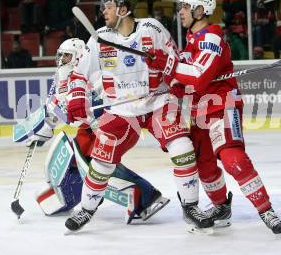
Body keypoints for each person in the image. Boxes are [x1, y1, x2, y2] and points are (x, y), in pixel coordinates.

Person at [64, 0, 214, 233]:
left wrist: (176, 86)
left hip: (157, 102)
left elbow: (176, 61)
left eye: (109, 5)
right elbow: (79, 74)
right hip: (121, 110)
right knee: (102, 162)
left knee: (182, 148)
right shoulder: (99, 37)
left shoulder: (152, 29)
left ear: (124, 9)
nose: (104, 10)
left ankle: (190, 207)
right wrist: (77, 98)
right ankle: (86, 209)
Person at [146, 0, 281, 235]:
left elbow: (199, 77)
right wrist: (174, 84)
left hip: (223, 105)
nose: (180, 11)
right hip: (200, 110)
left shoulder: (211, 37)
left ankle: (266, 210)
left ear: (200, 10)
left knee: (233, 158)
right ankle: (221, 207)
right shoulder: (190, 40)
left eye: (185, 7)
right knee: (205, 164)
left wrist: (168, 65)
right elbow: (187, 81)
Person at [17, 38, 169, 223]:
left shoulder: (93, 75)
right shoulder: (59, 77)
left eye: (67, 56)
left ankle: (146, 197)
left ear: (79, 57)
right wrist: (44, 129)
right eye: (61, 55)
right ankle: (69, 195)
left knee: (98, 166)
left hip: (113, 127)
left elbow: (86, 109)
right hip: (88, 130)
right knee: (73, 159)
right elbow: (55, 106)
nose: (62, 60)